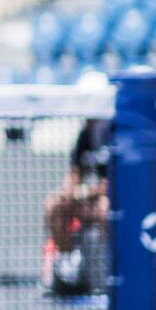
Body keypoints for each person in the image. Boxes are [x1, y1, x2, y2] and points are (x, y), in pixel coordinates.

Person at [43, 118, 110, 295]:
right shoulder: (85, 135)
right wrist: (68, 192)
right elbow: (73, 174)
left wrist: (84, 192)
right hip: (88, 199)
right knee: (55, 204)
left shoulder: (116, 132)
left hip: (109, 200)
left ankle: (109, 269)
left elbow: (109, 185)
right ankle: (68, 261)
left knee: (105, 208)